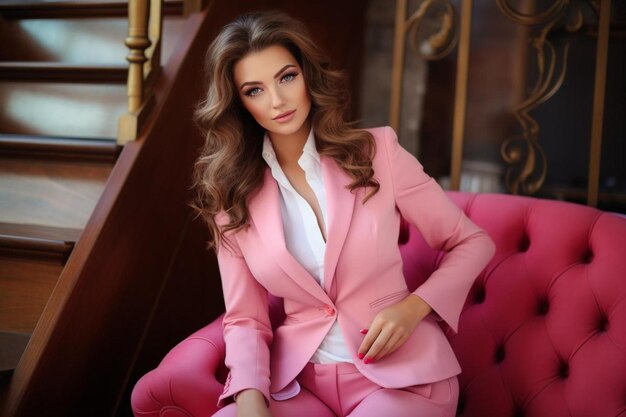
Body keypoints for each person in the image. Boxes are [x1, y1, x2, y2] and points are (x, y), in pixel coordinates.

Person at [191, 10, 495, 417]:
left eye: (286, 77)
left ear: (307, 76)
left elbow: (473, 241)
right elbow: (245, 319)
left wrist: (414, 308)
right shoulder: (232, 198)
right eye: (254, 90)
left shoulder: (378, 153)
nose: (278, 101)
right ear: (238, 103)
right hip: (299, 385)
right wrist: (251, 401)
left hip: (402, 379)